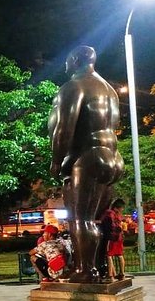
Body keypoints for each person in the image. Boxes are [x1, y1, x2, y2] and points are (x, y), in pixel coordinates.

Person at [48, 45, 125, 283]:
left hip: (88, 156)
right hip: (112, 157)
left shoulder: (74, 86)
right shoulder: (109, 90)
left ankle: (86, 270)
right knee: (95, 220)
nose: (65, 65)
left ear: (77, 59)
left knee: (80, 219)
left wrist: (56, 161)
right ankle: (92, 266)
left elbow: (64, 129)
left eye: (68, 60)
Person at [102, 199, 126, 282]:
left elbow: (107, 223)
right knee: (120, 255)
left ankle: (110, 275)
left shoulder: (109, 213)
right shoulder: (119, 215)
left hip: (112, 238)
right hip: (119, 237)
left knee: (109, 255)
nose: (122, 209)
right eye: (121, 208)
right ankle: (122, 274)